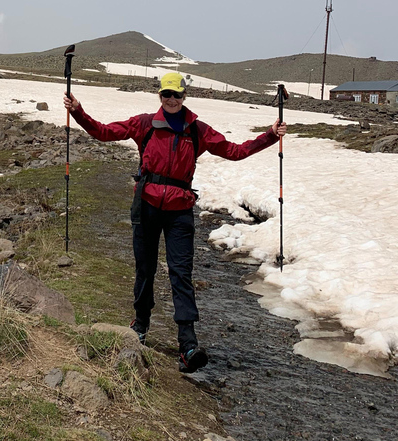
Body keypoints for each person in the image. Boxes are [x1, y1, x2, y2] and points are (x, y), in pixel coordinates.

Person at [63, 72, 287, 373]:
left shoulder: (197, 130)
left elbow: (235, 151)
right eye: (166, 94)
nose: (171, 100)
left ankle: (188, 344)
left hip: (180, 210)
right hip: (146, 205)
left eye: (177, 95)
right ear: (160, 95)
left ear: (184, 97)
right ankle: (140, 324)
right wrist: (78, 111)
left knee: (181, 273)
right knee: (145, 268)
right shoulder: (144, 124)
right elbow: (103, 132)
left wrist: (270, 135)